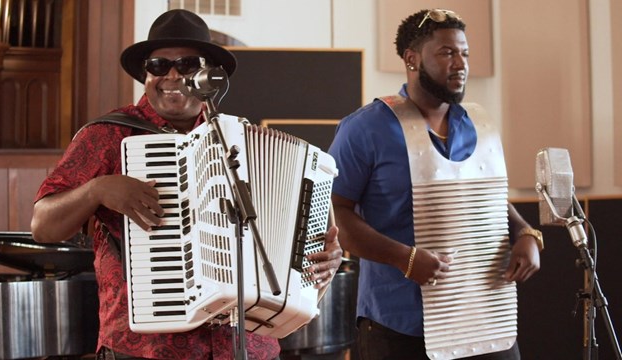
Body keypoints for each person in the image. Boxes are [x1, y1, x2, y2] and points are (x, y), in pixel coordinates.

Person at [30, 9, 342, 360]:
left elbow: (288, 235)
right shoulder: (107, 136)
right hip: (148, 348)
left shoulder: (238, 139)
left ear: (209, 75)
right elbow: (43, 226)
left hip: (245, 346)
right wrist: (98, 189)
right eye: (159, 65)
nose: (173, 75)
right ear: (145, 75)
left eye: (189, 64)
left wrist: (323, 260)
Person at [328, 8, 542, 360]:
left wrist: (525, 234)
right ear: (412, 59)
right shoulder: (365, 128)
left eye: (465, 53)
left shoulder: (478, 124)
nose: (460, 63)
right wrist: (404, 258)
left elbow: (485, 198)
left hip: (485, 319)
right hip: (400, 326)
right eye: (447, 53)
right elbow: (335, 211)